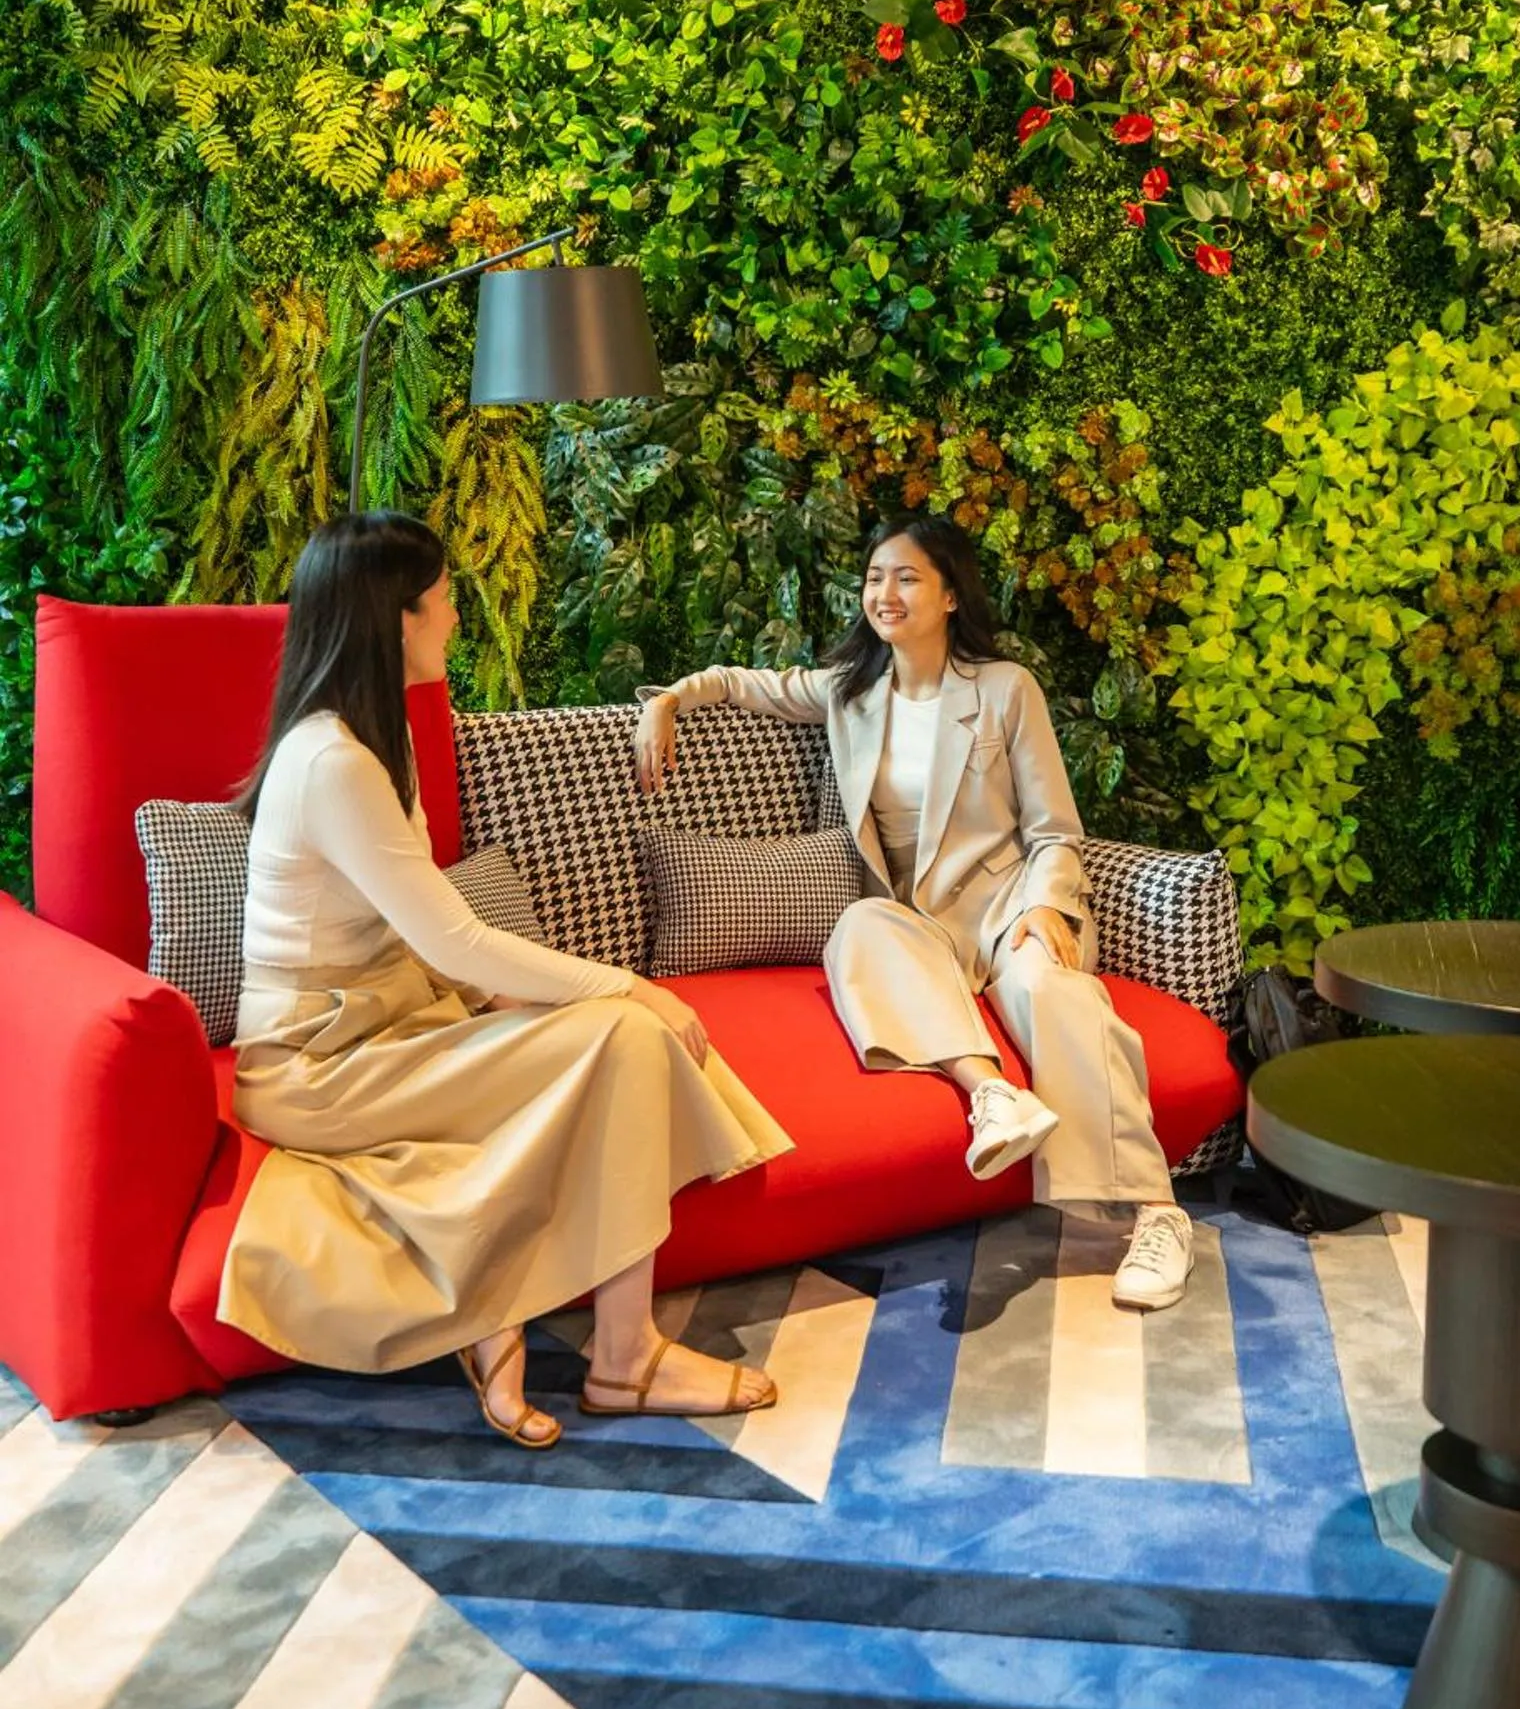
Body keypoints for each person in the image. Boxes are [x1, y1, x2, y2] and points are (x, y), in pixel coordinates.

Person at [218, 511, 792, 1448]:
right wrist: (626, 984)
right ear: (392, 618)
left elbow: (427, 937)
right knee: (628, 1027)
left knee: (613, 1037)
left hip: (393, 1026)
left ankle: (588, 1344)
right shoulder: (329, 761)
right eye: (442, 603)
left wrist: (525, 999)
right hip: (316, 1069)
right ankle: (625, 1361)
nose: (453, 621)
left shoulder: (372, 740)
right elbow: (455, 939)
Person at [634, 514, 1194, 1311]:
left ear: (950, 594)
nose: (883, 593)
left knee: (1054, 992)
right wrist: (668, 702)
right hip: (915, 923)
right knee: (856, 928)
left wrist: (1047, 907)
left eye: (905, 578)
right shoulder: (848, 694)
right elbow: (740, 682)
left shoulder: (1003, 689)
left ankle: (1155, 1214)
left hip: (1004, 904)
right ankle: (991, 1094)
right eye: (873, 578)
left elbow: (1054, 829)